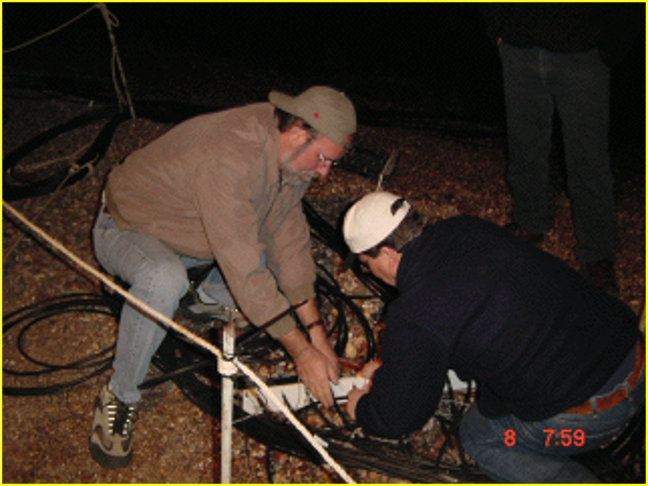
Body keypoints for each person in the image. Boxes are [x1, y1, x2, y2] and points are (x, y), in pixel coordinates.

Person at [89, 86, 356, 468]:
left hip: (190, 235)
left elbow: (289, 236)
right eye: (324, 159)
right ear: (299, 133)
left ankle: (197, 297)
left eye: (332, 163)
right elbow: (244, 268)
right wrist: (300, 352)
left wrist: (316, 334)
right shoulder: (231, 156)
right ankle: (119, 395)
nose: (325, 172)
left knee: (266, 278)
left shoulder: (290, 153)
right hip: (127, 226)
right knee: (164, 279)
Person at [343, 191, 644, 483]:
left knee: (480, 435)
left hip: (592, 416)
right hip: (632, 351)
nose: (371, 274)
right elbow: (454, 322)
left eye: (367, 266)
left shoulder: (414, 314)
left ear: (387, 255)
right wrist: (391, 368)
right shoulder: (465, 228)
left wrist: (364, 410)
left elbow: (398, 417)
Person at [480, 3, 644, 296]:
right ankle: (530, 221)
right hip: (518, 49)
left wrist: (607, 49)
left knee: (588, 161)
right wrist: (498, 30)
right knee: (524, 148)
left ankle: (597, 254)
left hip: (582, 53)